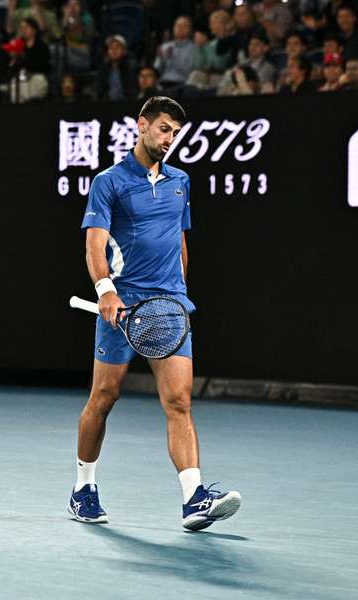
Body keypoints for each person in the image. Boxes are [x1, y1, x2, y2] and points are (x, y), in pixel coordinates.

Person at [70, 96, 242, 532]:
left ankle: (194, 499)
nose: (169, 139)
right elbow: (95, 242)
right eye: (164, 129)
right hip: (122, 305)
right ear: (142, 125)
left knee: (179, 401)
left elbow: (180, 243)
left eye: (176, 133)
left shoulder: (181, 181)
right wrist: (106, 290)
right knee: (103, 398)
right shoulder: (109, 181)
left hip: (169, 307)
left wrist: (177, 296)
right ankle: (83, 488)